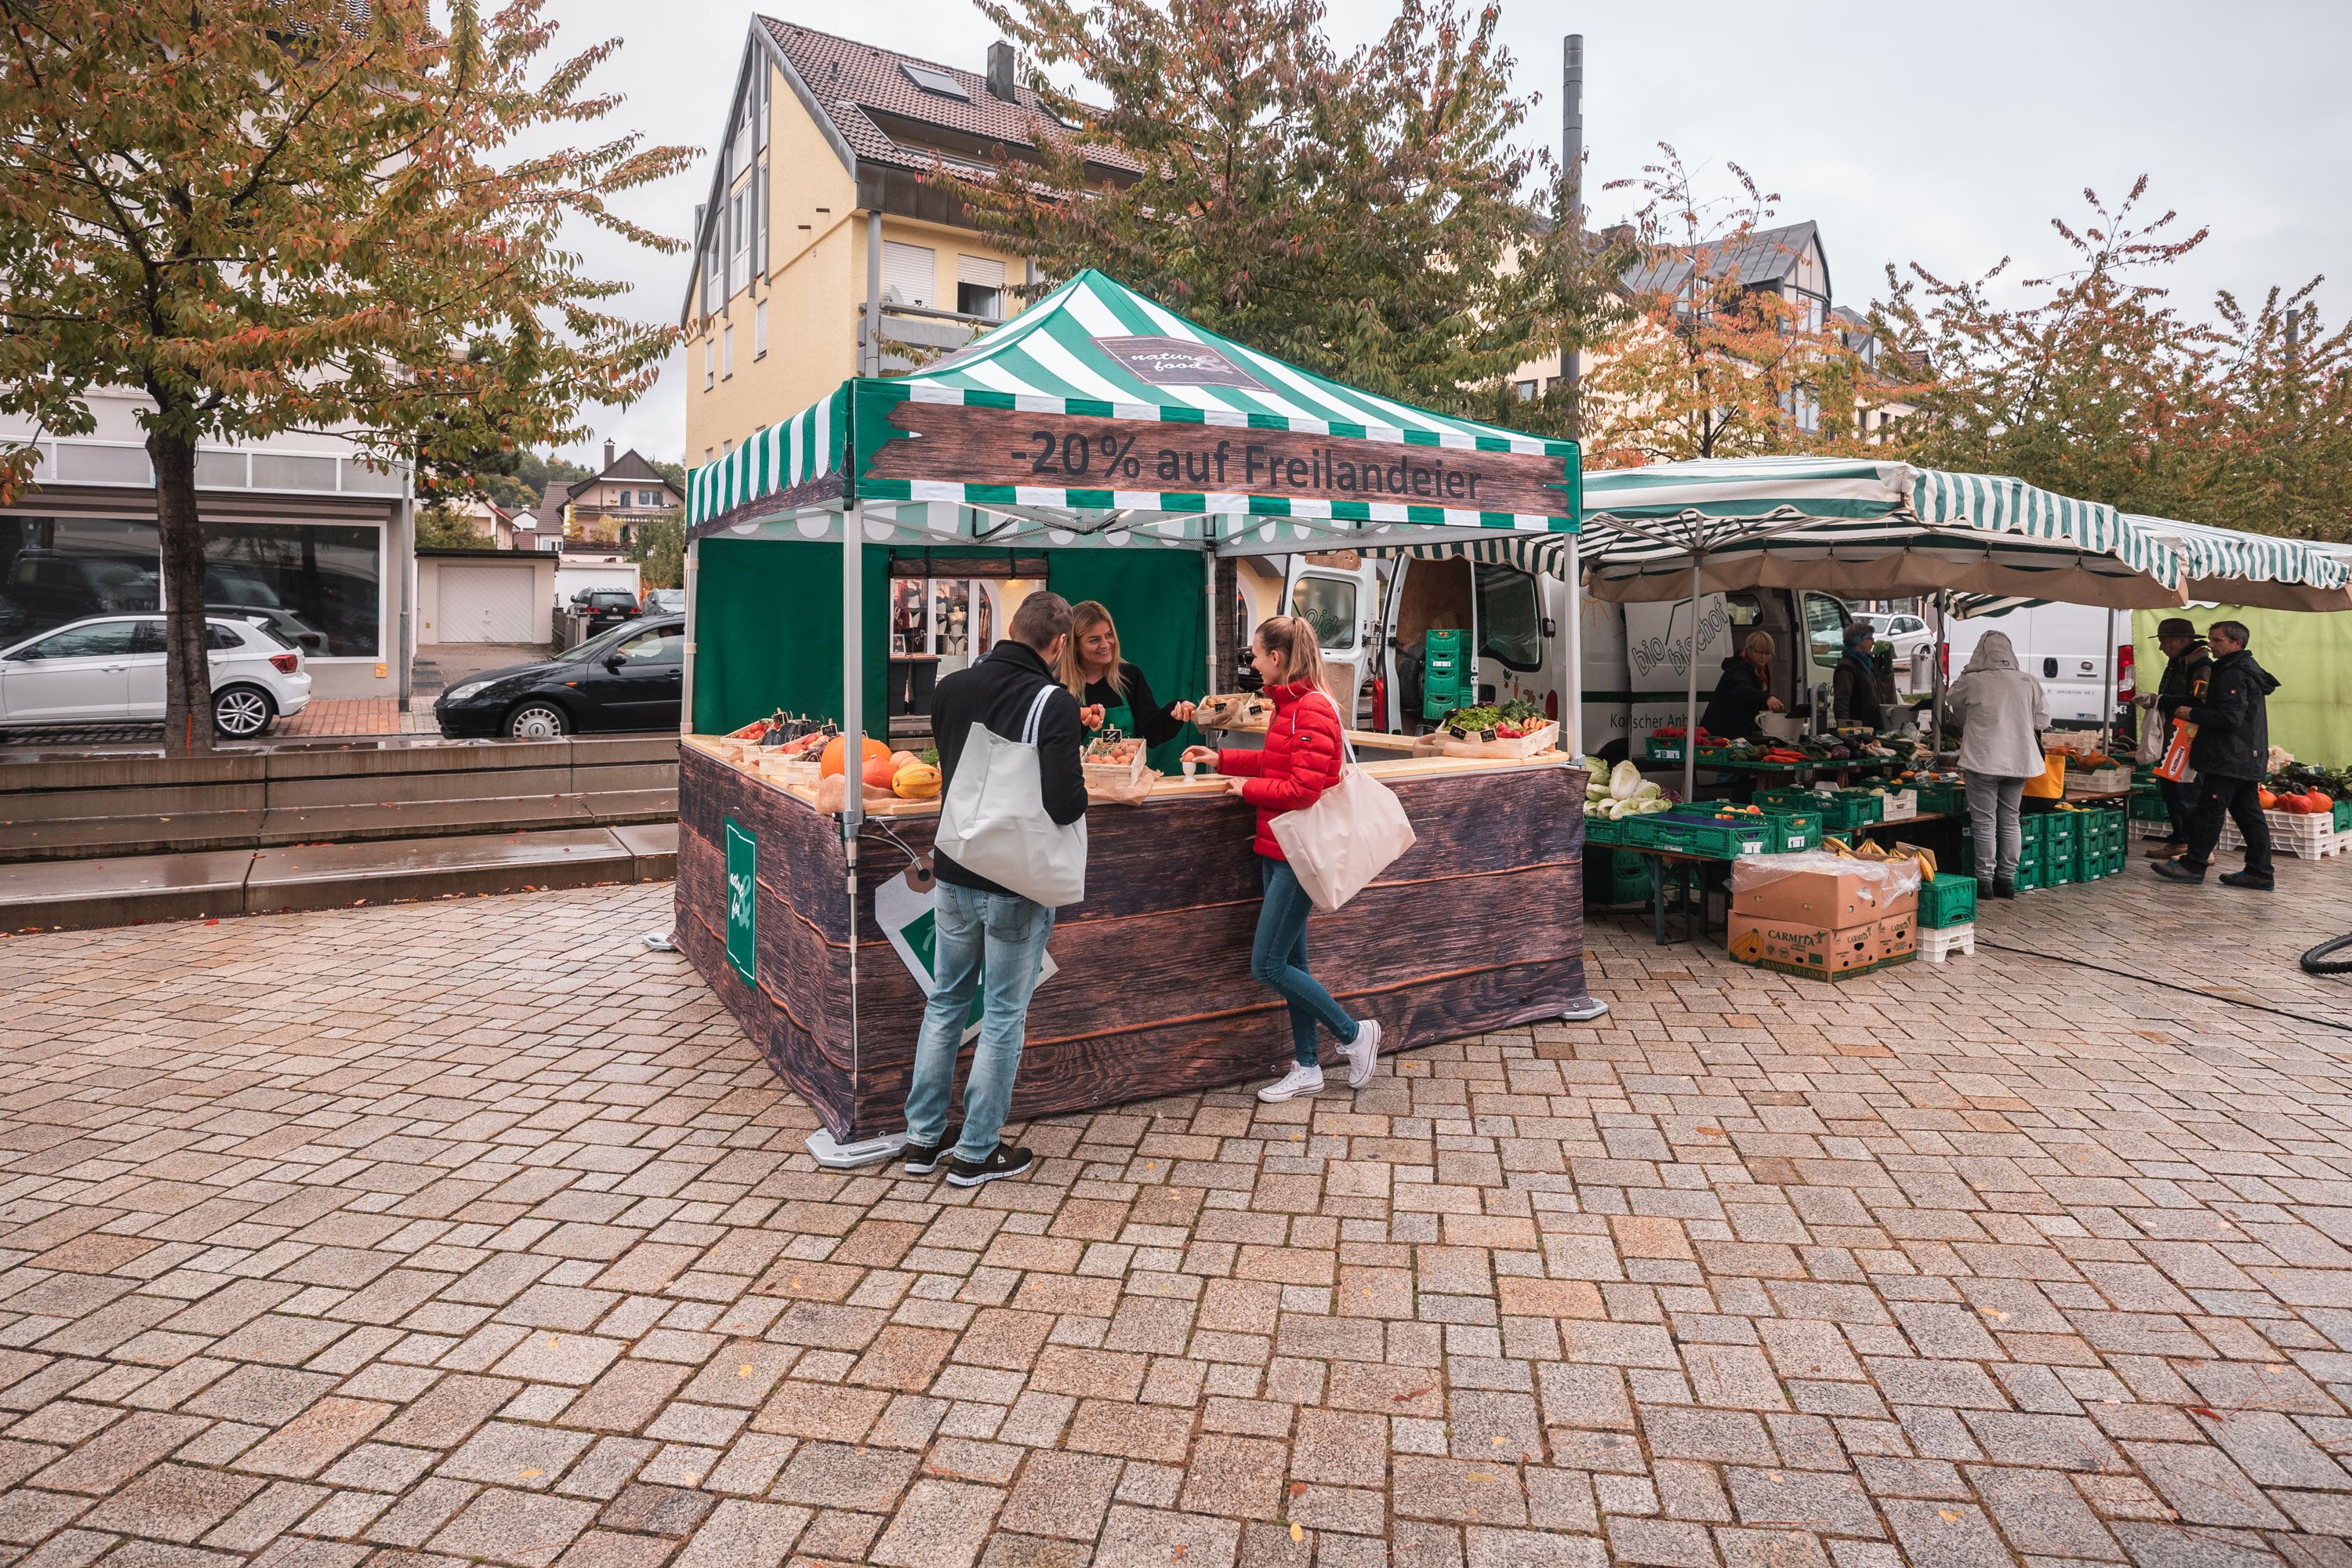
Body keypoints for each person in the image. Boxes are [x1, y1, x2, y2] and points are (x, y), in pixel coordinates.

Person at [902, 590, 1087, 1186]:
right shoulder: (1052, 703)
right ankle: (978, 1151)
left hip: (954, 866)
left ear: (1009, 627)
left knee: (945, 1002)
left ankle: (922, 1140)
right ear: (1058, 645)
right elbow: (1063, 804)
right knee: (1005, 1012)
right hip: (1014, 879)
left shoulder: (951, 687)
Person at [1180, 615, 1381, 1103]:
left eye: (1256, 653)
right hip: (1277, 849)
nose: (1251, 660)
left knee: (1267, 966)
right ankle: (1308, 1065)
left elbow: (1303, 789)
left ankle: (1355, 1034)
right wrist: (1222, 761)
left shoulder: (1311, 709)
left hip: (1296, 855)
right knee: (1294, 964)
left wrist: (1246, 789)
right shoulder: (1287, 707)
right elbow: (1277, 764)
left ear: (1279, 658)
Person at [2153, 619, 2278, 891]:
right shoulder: (2239, 668)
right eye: (2211, 639)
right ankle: (2260, 871)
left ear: (2237, 643)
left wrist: (2193, 714)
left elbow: (2230, 717)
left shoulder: (2235, 672)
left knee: (2209, 811)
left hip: (2230, 755)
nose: (2211, 645)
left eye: (2217, 640)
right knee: (2248, 813)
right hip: (2242, 754)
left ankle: (2193, 865)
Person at [1945, 630, 2048, 900]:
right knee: (2011, 820)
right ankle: (2007, 881)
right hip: (2019, 762)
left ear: (1981, 653)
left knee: (1985, 822)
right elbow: (2043, 721)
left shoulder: (1974, 680)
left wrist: (1968, 670)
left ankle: (1984, 882)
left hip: (1983, 760)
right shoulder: (2029, 681)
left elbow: (1952, 699)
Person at [1058, 601, 1198, 746]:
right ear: (1074, 645)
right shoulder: (1059, 686)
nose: (1105, 645)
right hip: (1080, 769)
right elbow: (1056, 744)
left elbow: (1150, 733)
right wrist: (1082, 724)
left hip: (1128, 767)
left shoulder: (1129, 676)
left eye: (1109, 635)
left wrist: (1175, 711)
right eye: (1094, 640)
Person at [2140, 617, 2212, 858]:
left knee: (2186, 792)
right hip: (2175, 735)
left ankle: (2195, 847)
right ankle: (2180, 840)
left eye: (2164, 642)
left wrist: (2159, 701)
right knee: (2171, 788)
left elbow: (2199, 701)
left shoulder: (2200, 664)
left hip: (2189, 738)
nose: (2161, 648)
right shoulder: (2178, 662)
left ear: (2181, 640)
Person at [1698, 630, 1785, 741]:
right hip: (1722, 733)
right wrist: (1766, 698)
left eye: (1768, 654)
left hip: (1741, 732)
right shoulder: (1737, 669)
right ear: (1749, 650)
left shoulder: (1761, 670)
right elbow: (1741, 689)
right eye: (1760, 652)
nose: (1764, 657)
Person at [1832, 620, 1884, 731]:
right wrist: (1847, 731)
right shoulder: (1847, 667)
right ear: (1858, 641)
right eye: (1870, 638)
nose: (1873, 642)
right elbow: (1841, 702)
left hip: (1868, 731)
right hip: (1858, 733)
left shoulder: (1864, 664)